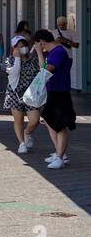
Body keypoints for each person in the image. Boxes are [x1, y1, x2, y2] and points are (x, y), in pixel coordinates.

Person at [33, 28, 76, 168]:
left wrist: (39, 53)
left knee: (60, 124)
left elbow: (45, 70)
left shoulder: (58, 52)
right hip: (53, 91)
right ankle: (59, 152)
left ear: (42, 42)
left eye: (37, 44)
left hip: (60, 92)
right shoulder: (53, 52)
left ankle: (60, 156)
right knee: (48, 119)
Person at [4, 35, 43, 155]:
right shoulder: (10, 60)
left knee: (35, 120)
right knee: (18, 120)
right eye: (19, 46)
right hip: (15, 94)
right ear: (14, 48)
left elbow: (43, 70)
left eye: (24, 46)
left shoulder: (33, 60)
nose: (23, 48)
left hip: (31, 94)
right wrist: (17, 58)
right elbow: (14, 74)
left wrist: (39, 52)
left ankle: (27, 132)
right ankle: (21, 143)